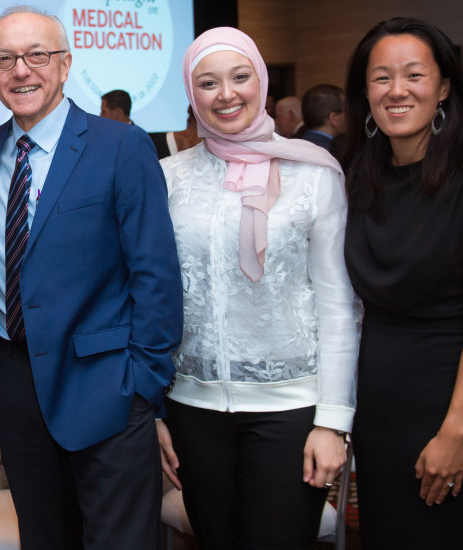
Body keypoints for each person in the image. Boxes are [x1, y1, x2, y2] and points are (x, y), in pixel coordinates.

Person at [0, 6, 183, 550]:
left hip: (106, 387)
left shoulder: (120, 146)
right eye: (5, 59)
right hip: (18, 387)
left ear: (65, 65)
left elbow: (155, 277)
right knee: (44, 537)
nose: (21, 70)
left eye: (36, 55)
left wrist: (142, 388)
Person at [156, 27, 360, 550]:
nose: (226, 94)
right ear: (191, 93)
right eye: (208, 82)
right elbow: (150, 298)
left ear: (261, 82)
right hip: (192, 411)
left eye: (240, 77)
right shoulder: (167, 178)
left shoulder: (314, 175)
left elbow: (339, 304)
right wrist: (154, 411)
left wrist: (333, 422)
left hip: (293, 412)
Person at [341, 17, 463, 549]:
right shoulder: (351, 174)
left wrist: (457, 429)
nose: (396, 90)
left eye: (413, 74)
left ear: (443, 87)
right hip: (377, 410)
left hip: (447, 404)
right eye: (380, 77)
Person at [301, 84, 346, 151]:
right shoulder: (334, 153)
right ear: (334, 118)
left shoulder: (293, 148)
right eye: (347, 110)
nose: (351, 115)